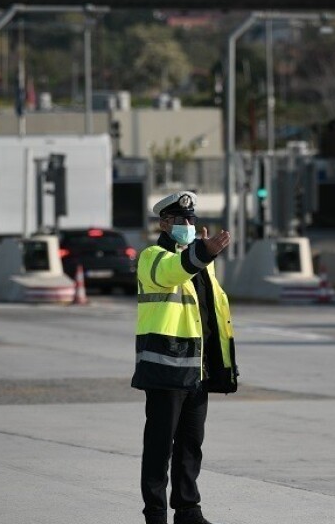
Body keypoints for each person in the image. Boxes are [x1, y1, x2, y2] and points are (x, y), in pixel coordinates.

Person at [132, 191, 237, 524]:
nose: (188, 224)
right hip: (165, 368)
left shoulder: (202, 262)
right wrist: (201, 253)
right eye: (181, 220)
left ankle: (188, 510)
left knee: (191, 445)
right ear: (164, 223)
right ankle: (155, 515)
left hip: (197, 368)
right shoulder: (153, 257)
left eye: (192, 219)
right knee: (159, 447)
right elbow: (172, 272)